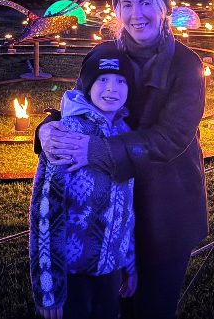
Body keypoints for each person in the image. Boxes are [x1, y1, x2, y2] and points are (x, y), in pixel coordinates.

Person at [38, 0, 208, 319]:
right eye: (126, 4)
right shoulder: (105, 55)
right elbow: (79, 107)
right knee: (110, 308)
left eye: (147, 2)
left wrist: (96, 150)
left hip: (166, 210)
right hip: (109, 212)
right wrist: (47, 127)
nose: (137, 14)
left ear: (164, 7)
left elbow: (171, 137)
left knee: (152, 308)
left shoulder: (186, 65)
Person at [30, 48, 137, 319]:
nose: (112, 89)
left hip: (111, 270)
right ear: (88, 85)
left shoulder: (125, 133)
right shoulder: (64, 135)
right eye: (102, 80)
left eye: (121, 80)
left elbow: (126, 210)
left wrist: (129, 262)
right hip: (73, 274)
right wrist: (48, 287)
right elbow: (45, 214)